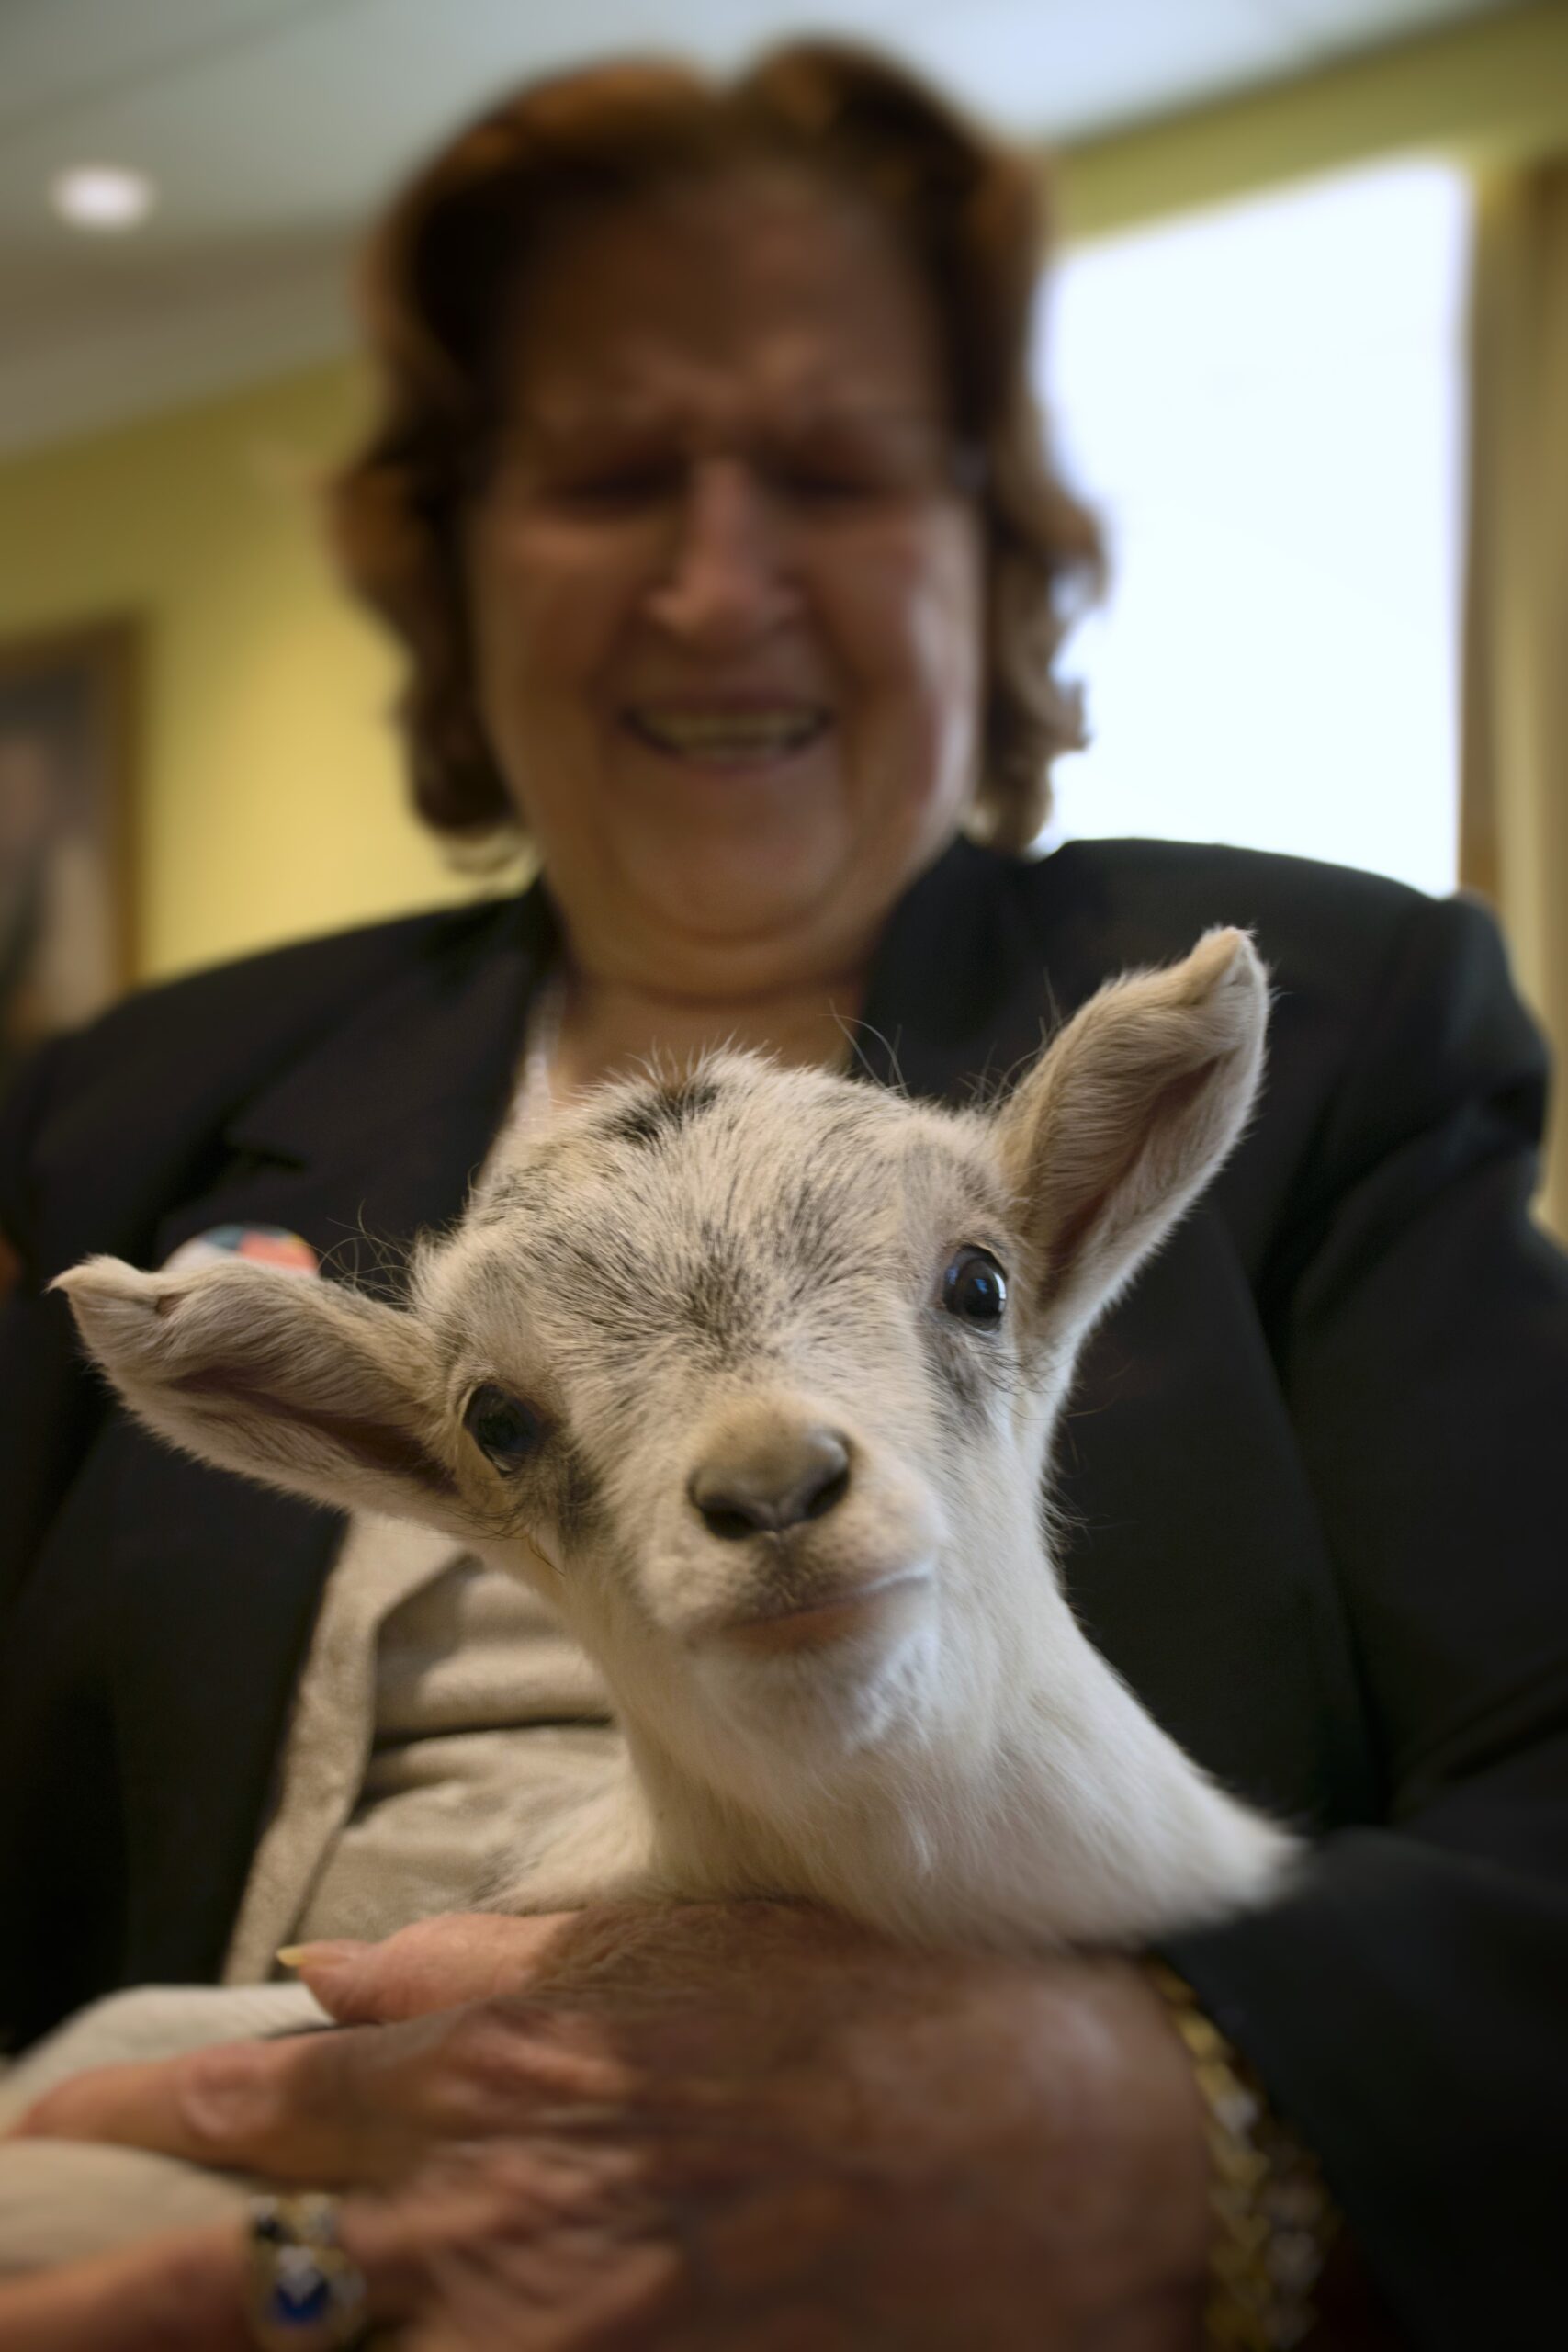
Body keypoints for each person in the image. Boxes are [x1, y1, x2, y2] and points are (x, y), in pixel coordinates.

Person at [0, 39, 1563, 2351]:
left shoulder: (1326, 1019)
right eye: (610, 474)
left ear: (989, 552)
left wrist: (1143, 2110)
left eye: (836, 471)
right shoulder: (137, 1103)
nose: (718, 584)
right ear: (448, 573)